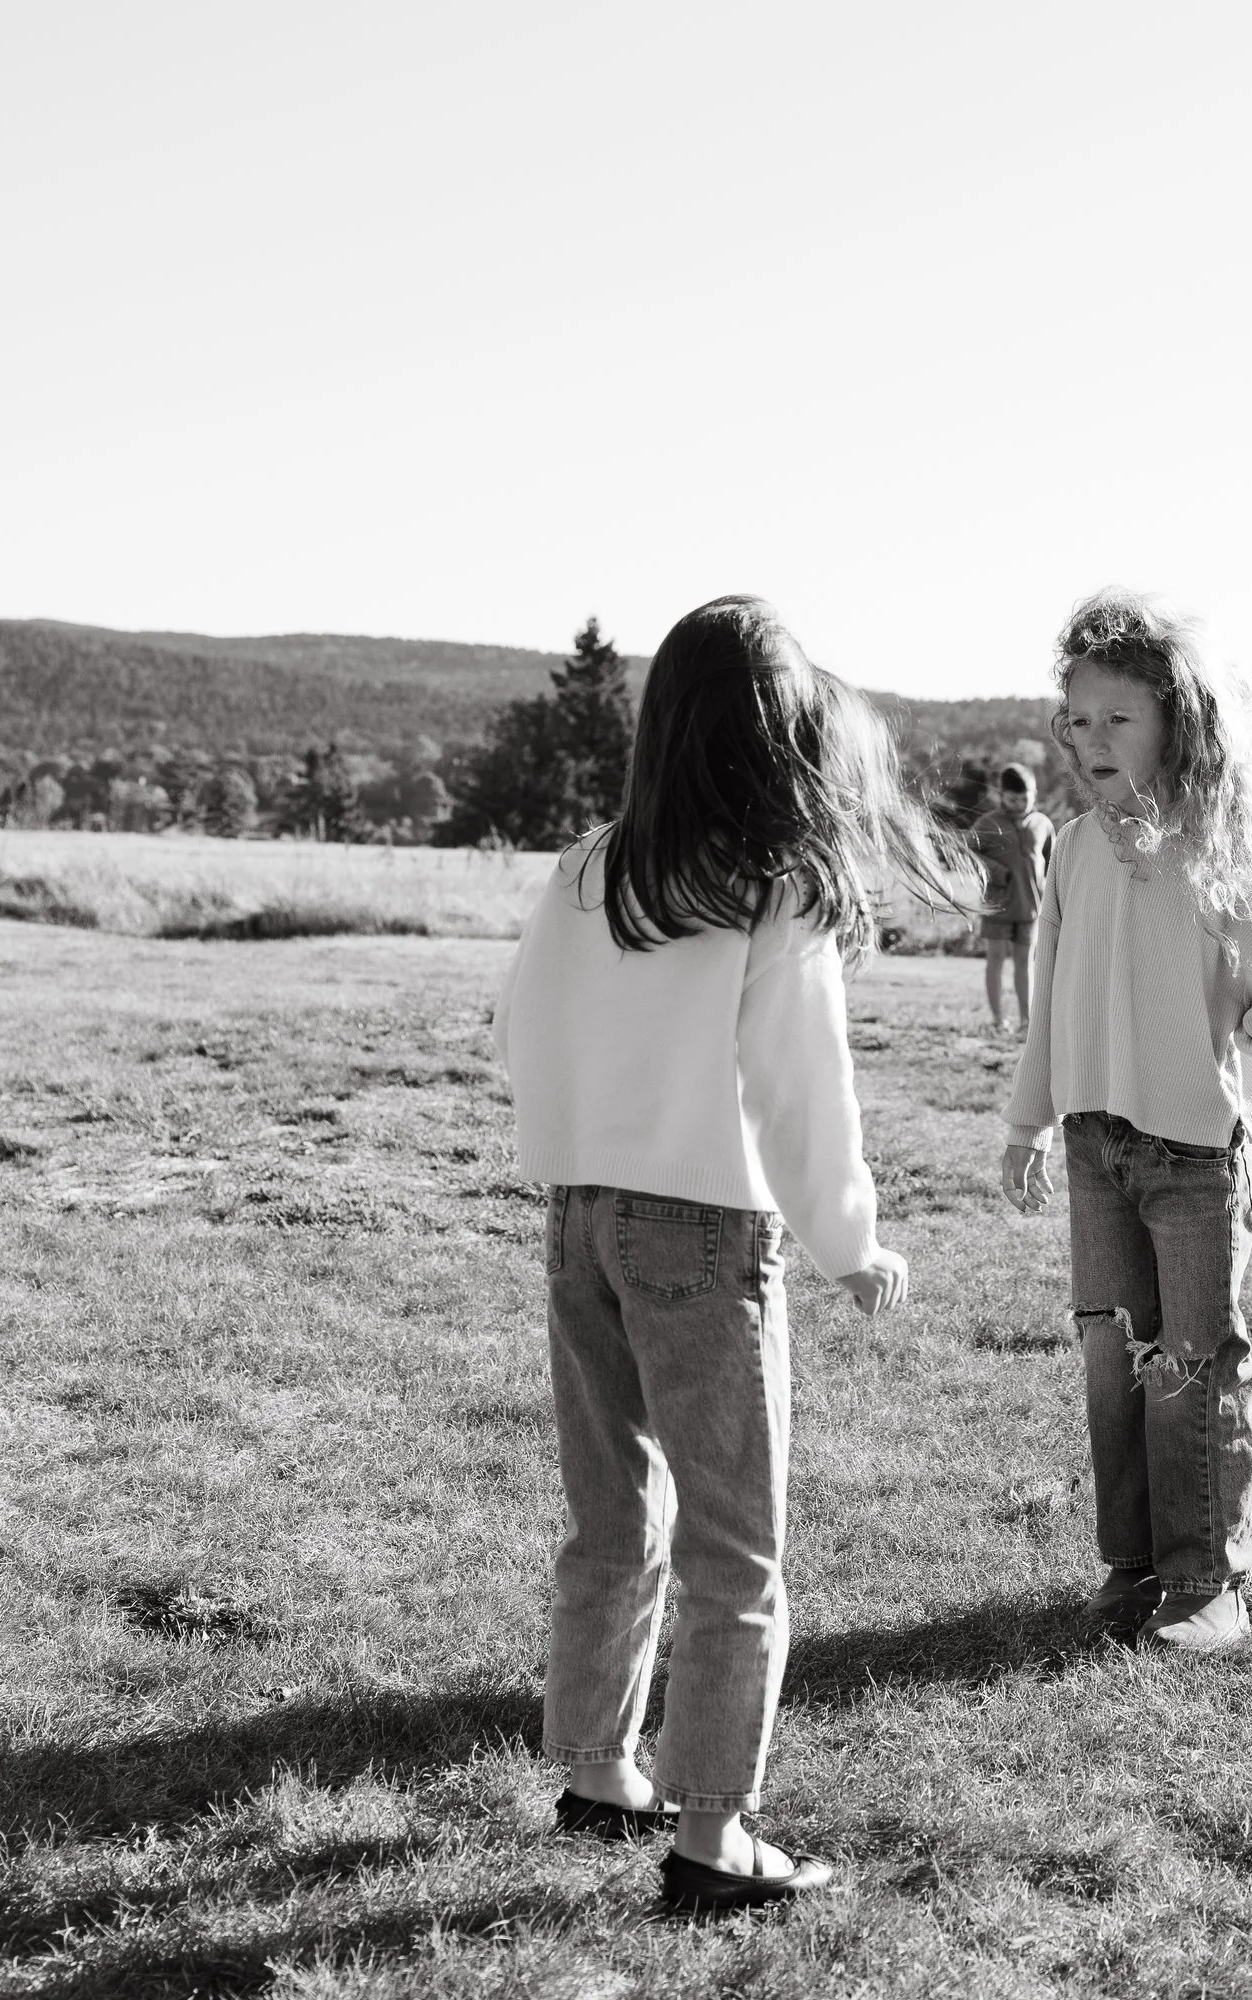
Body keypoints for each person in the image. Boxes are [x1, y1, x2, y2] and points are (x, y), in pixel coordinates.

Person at [494, 595, 975, 1913]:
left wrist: (571, 1155)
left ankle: (596, 1768)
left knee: (611, 1518)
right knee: (734, 1545)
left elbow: (522, 1025)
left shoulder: (592, 863)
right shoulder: (770, 885)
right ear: (787, 740)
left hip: (580, 1214)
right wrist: (851, 1242)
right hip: (702, 1230)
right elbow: (801, 1092)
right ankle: (715, 1840)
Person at [999, 589, 1252, 1654]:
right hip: (1093, 1142)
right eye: (1078, 718)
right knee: (1115, 1359)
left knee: (1194, 1362)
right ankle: (1134, 1567)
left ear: (1176, 725)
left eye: (1118, 718)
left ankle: (1208, 1581)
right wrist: (1023, 1129)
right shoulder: (1066, 848)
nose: (1090, 738)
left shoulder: (1217, 849)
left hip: (1194, 1152)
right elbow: (1048, 1002)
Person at [970, 764, 1056, 1035]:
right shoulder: (987, 824)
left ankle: (1026, 1022)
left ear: (1034, 793)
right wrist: (996, 872)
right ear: (1001, 795)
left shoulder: (1043, 824)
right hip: (997, 905)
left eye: (1024, 798)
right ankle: (998, 1020)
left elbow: (1052, 862)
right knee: (995, 959)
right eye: (1012, 799)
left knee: (1025, 962)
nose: (1019, 804)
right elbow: (969, 856)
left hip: (1031, 907)